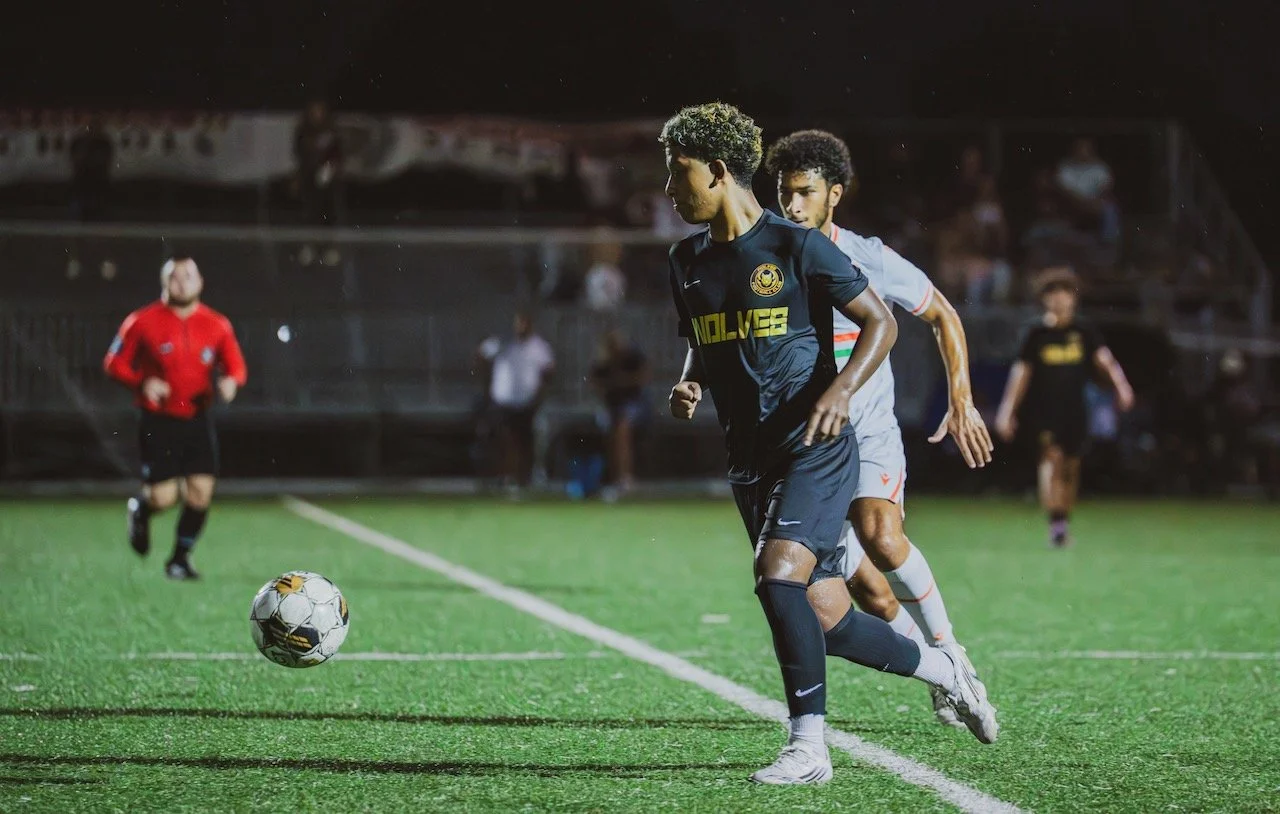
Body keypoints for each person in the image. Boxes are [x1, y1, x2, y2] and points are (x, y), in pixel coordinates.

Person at [661, 102, 997, 786]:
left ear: (717, 171)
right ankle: (944, 668)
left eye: (677, 172)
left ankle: (809, 748)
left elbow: (885, 322)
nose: (669, 189)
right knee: (829, 615)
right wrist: (692, 379)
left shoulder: (800, 246)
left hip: (819, 443)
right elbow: (701, 334)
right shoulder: (685, 260)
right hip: (750, 456)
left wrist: (841, 392)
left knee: (783, 571)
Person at [765, 129, 997, 730]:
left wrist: (961, 398)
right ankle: (938, 674)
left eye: (805, 192)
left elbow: (942, 313)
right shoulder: (768, 260)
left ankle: (953, 654)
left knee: (882, 536)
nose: (792, 205)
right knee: (866, 592)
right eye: (785, 192)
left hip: (867, 431)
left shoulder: (868, 258)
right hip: (807, 444)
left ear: (834, 194)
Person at [103, 257, 247, 580]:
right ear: (164, 282)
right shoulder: (141, 321)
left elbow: (236, 365)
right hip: (158, 419)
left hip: (197, 416)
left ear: (200, 282)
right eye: (174, 277)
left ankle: (179, 559)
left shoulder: (217, 324)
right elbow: (114, 362)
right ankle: (141, 509)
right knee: (164, 497)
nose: (182, 283)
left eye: (188, 276)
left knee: (200, 491)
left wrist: (231, 381)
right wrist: (142, 382)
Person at [995, 266, 1134, 547]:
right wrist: (1007, 411)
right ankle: (1056, 524)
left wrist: (1122, 386)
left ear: (1073, 297)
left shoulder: (1083, 332)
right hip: (1043, 412)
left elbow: (1105, 361)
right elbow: (1021, 374)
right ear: (1044, 299)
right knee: (1052, 460)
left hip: (1075, 411)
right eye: (1052, 293)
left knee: (1071, 467)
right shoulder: (1036, 333)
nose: (1059, 299)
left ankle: (1062, 521)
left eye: (1065, 292)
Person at [474, 310, 555, 492]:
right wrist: (486, 380)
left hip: (526, 402)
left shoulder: (539, 347)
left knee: (523, 441)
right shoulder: (503, 342)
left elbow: (549, 370)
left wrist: (539, 394)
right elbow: (481, 354)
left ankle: (522, 477)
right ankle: (505, 476)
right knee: (504, 439)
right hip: (503, 401)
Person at [589, 329, 651, 498]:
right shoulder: (603, 361)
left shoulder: (632, 357)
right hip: (611, 407)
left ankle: (625, 477)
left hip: (635, 403)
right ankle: (613, 477)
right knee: (609, 431)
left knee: (623, 429)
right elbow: (595, 383)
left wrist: (622, 381)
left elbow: (644, 376)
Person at [292, 99, 344, 267]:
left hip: (328, 179)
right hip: (309, 178)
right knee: (310, 212)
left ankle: (330, 247)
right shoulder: (303, 131)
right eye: (314, 111)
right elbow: (299, 153)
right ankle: (310, 246)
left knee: (330, 212)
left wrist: (329, 168)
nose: (317, 114)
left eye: (319, 111)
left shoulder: (332, 131)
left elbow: (338, 153)